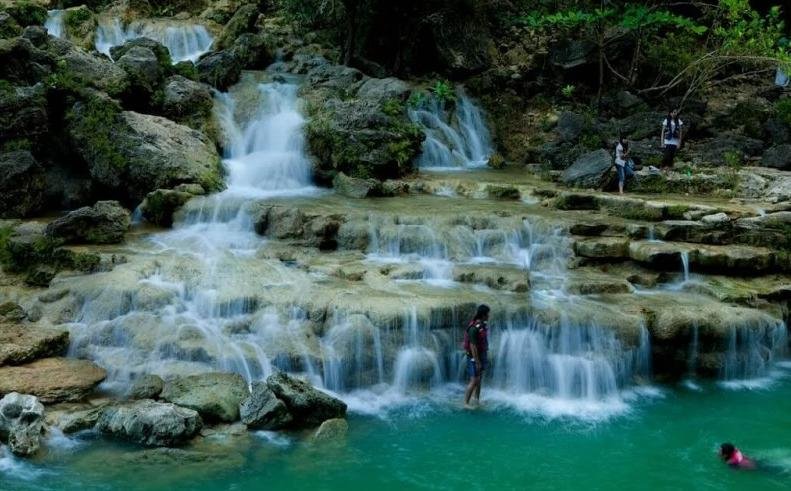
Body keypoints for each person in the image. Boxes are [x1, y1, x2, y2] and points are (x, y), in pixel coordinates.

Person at [463, 304, 490, 408]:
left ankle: (476, 399)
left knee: (479, 378)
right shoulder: (473, 328)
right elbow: (473, 346)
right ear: (483, 315)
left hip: (481, 355)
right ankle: (465, 403)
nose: (489, 316)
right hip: (474, 357)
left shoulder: (482, 325)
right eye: (487, 314)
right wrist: (477, 361)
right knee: (474, 380)